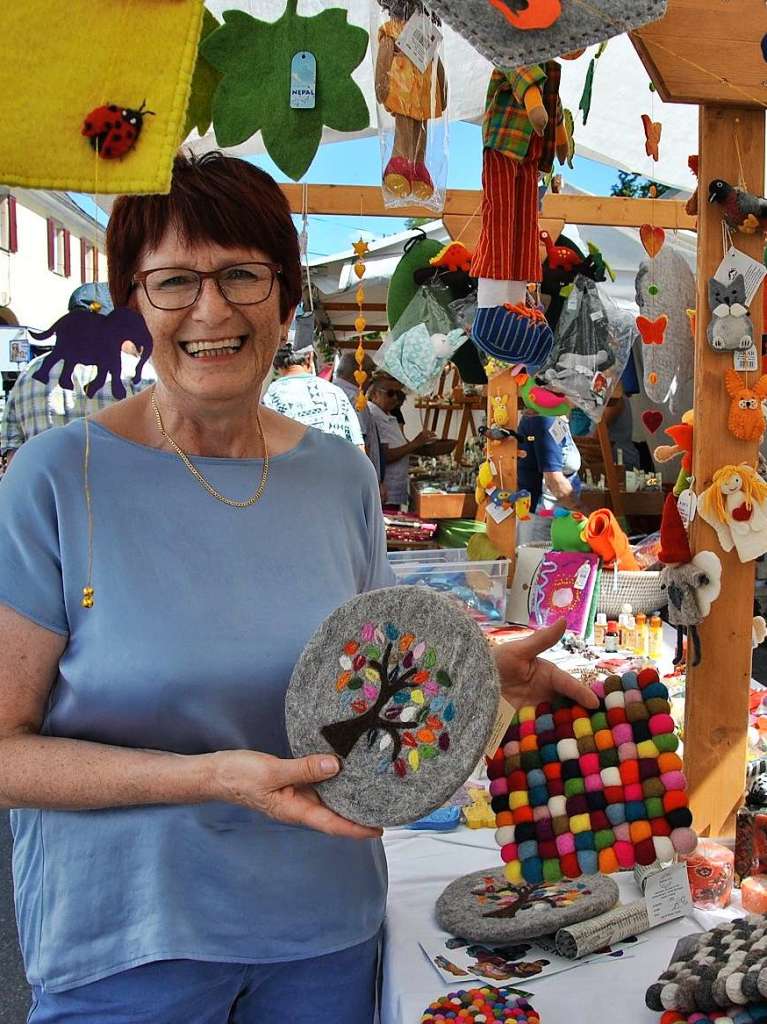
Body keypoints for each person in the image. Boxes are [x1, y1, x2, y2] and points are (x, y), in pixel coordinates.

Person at [0, 151, 596, 1023]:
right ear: (136, 300)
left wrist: (470, 667)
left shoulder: (340, 477)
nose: (211, 310)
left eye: (242, 275)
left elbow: (361, 668)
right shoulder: (57, 478)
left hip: (323, 931)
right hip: (131, 946)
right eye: (173, 282)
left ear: (284, 297)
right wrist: (207, 778)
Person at [0, 285, 155, 467]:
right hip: (121, 490)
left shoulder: (29, 374)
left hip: (47, 493)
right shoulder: (139, 372)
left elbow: (13, 457)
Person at [262, 340, 364, 448]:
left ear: (275, 362)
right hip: (339, 463)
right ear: (309, 357)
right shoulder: (336, 392)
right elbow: (358, 445)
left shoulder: (270, 396)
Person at [368, 374, 436, 509]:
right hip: (385, 492)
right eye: (390, 393)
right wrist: (415, 443)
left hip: (392, 490)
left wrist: (421, 446)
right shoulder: (375, 416)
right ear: (375, 394)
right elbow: (385, 455)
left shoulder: (386, 415)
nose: (395, 398)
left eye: (398, 394)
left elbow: (400, 445)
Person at [516, 408, 582, 544]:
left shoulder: (556, 418)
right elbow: (554, 482)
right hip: (542, 523)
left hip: (555, 521)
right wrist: (584, 513)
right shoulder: (544, 419)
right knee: (536, 563)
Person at [332, 351, 383, 482]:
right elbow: (361, 445)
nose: (371, 378)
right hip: (356, 479)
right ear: (358, 373)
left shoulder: (329, 392)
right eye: (369, 373)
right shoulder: (355, 399)